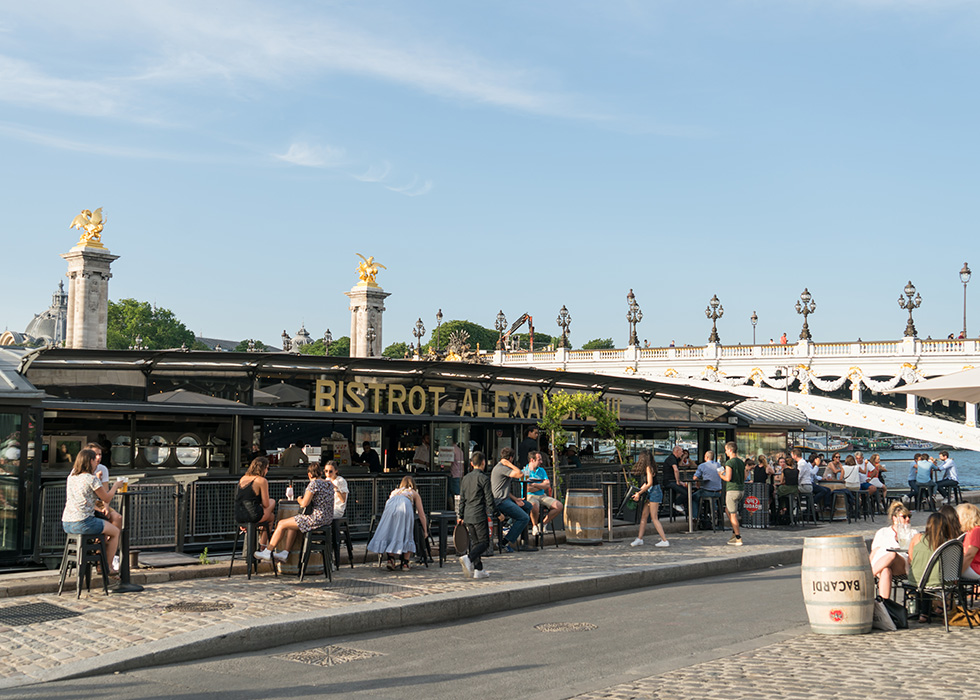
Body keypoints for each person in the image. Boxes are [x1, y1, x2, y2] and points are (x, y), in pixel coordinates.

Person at [256, 462, 334, 563]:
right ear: (320, 473)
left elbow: (304, 503)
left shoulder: (314, 484)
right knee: (293, 523)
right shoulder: (329, 484)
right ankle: (285, 553)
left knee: (281, 524)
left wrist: (299, 499)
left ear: (309, 475)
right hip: (327, 519)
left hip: (316, 519)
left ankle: (268, 551)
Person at [62, 448, 122, 574]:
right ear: (90, 461)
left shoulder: (72, 477)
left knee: (103, 532)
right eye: (95, 461)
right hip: (84, 522)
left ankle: (100, 560)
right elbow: (106, 497)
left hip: (67, 523)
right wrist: (116, 486)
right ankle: (108, 567)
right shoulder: (91, 479)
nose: (97, 463)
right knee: (115, 532)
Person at [908, 511, 960, 621]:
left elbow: (911, 560)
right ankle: (945, 607)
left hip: (918, 580)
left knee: (924, 573)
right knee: (933, 574)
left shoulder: (917, 538)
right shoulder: (949, 543)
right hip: (941, 581)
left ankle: (923, 613)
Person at [367, 476, 427, 570]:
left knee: (390, 531)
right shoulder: (412, 492)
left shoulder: (394, 492)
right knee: (407, 532)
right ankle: (405, 563)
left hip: (390, 507)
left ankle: (391, 559)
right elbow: (421, 514)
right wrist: (425, 530)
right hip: (404, 506)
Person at [491, 447, 537, 552]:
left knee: (528, 506)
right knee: (524, 518)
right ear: (511, 458)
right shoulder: (502, 468)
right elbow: (520, 474)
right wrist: (508, 464)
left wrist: (515, 499)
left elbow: (504, 488)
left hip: (506, 498)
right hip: (500, 501)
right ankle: (504, 542)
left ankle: (510, 525)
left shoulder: (501, 467)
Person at [457, 451, 494, 579]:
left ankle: (479, 570)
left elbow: (462, 499)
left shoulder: (465, 478)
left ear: (472, 464)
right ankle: (469, 558)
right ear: (483, 463)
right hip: (479, 514)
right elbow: (489, 500)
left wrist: (460, 515)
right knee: (484, 542)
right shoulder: (484, 478)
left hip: (467, 514)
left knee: (476, 542)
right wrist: (497, 513)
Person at [869, 501, 913, 599]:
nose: (908, 519)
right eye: (904, 517)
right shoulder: (882, 532)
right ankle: (885, 605)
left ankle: (867, 577)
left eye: (909, 516)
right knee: (886, 570)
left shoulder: (913, 533)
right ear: (895, 518)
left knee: (892, 554)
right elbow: (874, 552)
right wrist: (868, 563)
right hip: (881, 564)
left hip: (901, 562)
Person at [234, 456, 277, 546]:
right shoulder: (261, 480)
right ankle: (262, 546)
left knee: (271, 516)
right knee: (272, 503)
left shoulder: (243, 478)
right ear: (263, 468)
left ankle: (260, 542)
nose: (267, 471)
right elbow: (266, 504)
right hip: (253, 515)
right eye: (267, 468)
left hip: (239, 515)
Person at [630, 451, 669, 547]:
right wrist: (639, 492)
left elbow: (649, 483)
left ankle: (664, 540)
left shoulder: (648, 468)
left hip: (654, 492)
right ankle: (639, 538)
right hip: (652, 491)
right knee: (644, 516)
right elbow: (647, 483)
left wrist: (639, 493)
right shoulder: (651, 467)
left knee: (654, 517)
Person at [522, 450, 564, 535]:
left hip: (542, 495)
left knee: (559, 506)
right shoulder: (525, 471)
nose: (541, 462)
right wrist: (541, 485)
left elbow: (548, 484)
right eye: (539, 460)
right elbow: (527, 489)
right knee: (534, 505)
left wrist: (534, 485)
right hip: (530, 496)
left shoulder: (541, 470)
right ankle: (534, 527)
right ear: (532, 460)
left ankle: (543, 524)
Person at [87, 442, 123, 532]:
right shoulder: (81, 470)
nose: (98, 457)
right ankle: (102, 543)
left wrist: (106, 506)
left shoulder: (103, 469)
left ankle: (112, 544)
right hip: (87, 504)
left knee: (117, 517)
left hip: (99, 502)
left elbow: (105, 492)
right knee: (102, 520)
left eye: (100, 454)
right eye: (95, 454)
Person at [719, 441, 744, 545]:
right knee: (728, 510)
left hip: (732, 490)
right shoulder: (741, 462)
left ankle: (738, 537)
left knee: (733, 514)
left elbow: (728, 478)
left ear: (730, 450)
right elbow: (744, 475)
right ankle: (734, 531)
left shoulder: (729, 463)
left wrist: (721, 475)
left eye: (726, 450)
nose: (725, 452)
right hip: (741, 489)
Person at [793, 448, 831, 513]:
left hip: (811, 483)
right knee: (823, 491)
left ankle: (826, 506)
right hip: (808, 483)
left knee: (828, 490)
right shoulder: (807, 465)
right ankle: (812, 502)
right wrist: (817, 465)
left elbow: (814, 476)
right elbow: (813, 473)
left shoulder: (809, 466)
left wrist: (822, 478)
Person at [691, 450, 723, 522]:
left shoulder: (702, 466)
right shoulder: (719, 465)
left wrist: (697, 483)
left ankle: (695, 517)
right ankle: (714, 511)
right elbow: (724, 475)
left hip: (707, 491)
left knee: (693, 497)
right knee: (713, 497)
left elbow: (695, 477)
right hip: (718, 492)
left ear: (706, 457)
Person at [660, 445, 688, 516]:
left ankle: (679, 506)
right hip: (669, 482)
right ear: (677, 451)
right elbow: (676, 470)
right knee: (686, 492)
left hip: (672, 481)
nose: (682, 453)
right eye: (681, 451)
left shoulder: (675, 459)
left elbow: (681, 465)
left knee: (686, 490)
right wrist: (678, 481)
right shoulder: (671, 458)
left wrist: (679, 482)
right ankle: (676, 504)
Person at [956, 503, 980, 582]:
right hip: (974, 566)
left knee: (946, 571)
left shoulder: (976, 531)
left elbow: (970, 555)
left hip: (975, 567)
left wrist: (957, 574)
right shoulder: (973, 530)